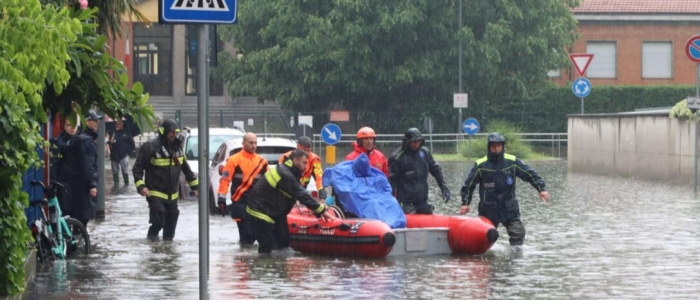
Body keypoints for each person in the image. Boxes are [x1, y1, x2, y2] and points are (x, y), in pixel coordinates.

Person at [459, 132, 550, 246]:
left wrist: (542, 189)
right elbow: (469, 185)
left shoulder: (512, 161)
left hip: (509, 207)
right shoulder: (481, 164)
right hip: (488, 208)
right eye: (493, 146)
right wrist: (465, 203)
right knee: (483, 237)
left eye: (499, 145)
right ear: (489, 147)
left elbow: (530, 174)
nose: (496, 148)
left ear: (502, 146)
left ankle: (514, 258)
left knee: (518, 233)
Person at [246, 149, 336, 254]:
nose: (306, 166)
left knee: (283, 241)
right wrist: (321, 210)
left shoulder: (291, 172)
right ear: (296, 161)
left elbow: (298, 193)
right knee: (266, 246)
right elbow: (301, 193)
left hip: (274, 212)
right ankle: (265, 266)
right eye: (304, 163)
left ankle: (280, 267)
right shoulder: (284, 173)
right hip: (260, 212)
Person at [133, 119, 199, 240]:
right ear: (164, 132)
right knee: (158, 220)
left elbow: (186, 169)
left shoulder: (177, 148)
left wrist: (196, 187)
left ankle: (168, 253)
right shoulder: (150, 146)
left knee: (171, 225)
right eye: (171, 132)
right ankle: (153, 246)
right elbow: (138, 168)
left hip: (173, 195)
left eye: (175, 132)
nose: (173, 135)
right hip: (155, 192)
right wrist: (141, 186)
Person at [218, 132, 268, 245]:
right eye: (251, 143)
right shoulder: (233, 160)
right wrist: (221, 199)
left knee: (257, 235)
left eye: (255, 143)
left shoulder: (262, 162)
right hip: (240, 203)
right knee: (246, 237)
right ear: (243, 143)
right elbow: (225, 180)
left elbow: (269, 183)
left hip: (257, 204)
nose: (254, 145)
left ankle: (247, 257)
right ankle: (244, 257)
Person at [49, 116, 98, 228]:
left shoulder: (83, 141)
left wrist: (92, 185)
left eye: (74, 125)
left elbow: (89, 166)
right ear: (64, 126)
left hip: (79, 187)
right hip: (64, 186)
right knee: (65, 215)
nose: (72, 128)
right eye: (69, 125)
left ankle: (76, 239)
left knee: (80, 218)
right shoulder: (58, 142)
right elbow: (53, 166)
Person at [388, 128, 450, 214]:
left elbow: (436, 170)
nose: (416, 145)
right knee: (410, 211)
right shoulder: (396, 158)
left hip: (421, 201)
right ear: (407, 142)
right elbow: (392, 182)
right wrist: (391, 202)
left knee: (428, 210)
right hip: (404, 202)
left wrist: (444, 187)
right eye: (414, 142)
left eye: (418, 142)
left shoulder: (424, 153)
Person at [278, 136, 326, 200]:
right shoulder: (286, 157)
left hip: (302, 190)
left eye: (309, 150)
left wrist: (321, 195)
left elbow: (319, 178)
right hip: (286, 192)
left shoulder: (315, 159)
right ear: (298, 147)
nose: (306, 153)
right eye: (304, 150)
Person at [108, 119, 135, 194]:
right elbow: (108, 141)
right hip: (114, 155)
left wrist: (127, 152)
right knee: (115, 171)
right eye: (116, 123)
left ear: (122, 124)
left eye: (118, 123)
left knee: (125, 170)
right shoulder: (112, 132)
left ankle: (126, 185)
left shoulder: (127, 132)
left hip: (123, 155)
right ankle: (116, 185)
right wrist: (110, 142)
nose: (116, 124)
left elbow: (132, 144)